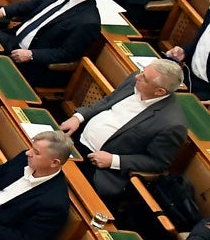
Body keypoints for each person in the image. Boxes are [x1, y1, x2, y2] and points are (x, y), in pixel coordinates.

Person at [61, 59, 187, 205]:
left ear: (160, 91)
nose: (137, 76)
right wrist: (78, 117)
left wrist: (114, 160)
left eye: (144, 78)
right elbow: (107, 101)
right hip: (77, 138)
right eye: (142, 72)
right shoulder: (136, 80)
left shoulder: (172, 124)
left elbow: (158, 162)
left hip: (99, 167)